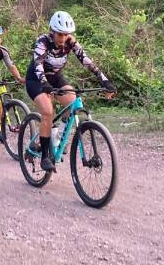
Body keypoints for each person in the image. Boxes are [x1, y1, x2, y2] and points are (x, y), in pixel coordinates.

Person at [25, 11, 117, 172]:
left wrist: (104, 79)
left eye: (66, 34)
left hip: (56, 77)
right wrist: (45, 83)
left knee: (73, 101)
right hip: (36, 80)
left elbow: (86, 60)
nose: (63, 38)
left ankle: (57, 137)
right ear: (52, 31)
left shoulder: (70, 42)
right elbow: (38, 64)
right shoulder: (43, 42)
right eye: (60, 34)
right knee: (47, 112)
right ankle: (45, 156)